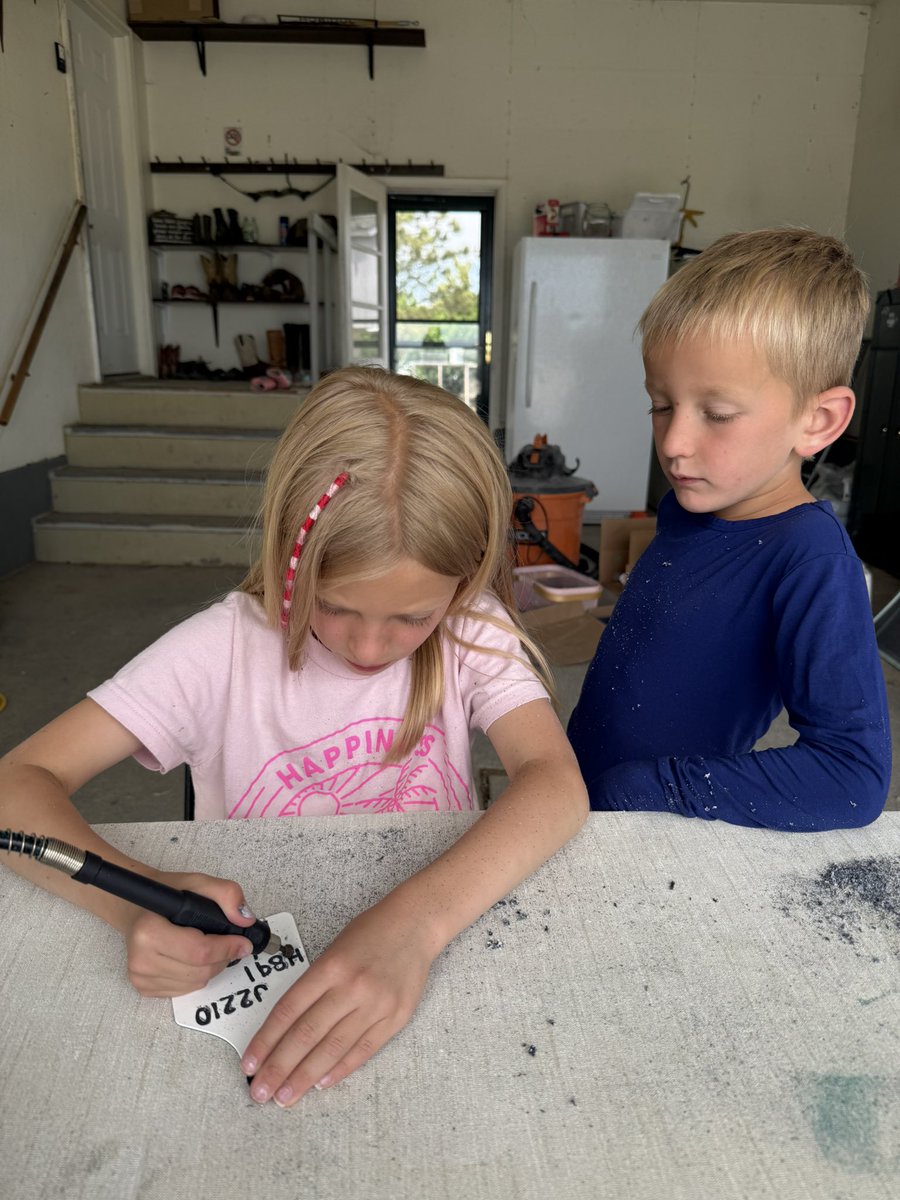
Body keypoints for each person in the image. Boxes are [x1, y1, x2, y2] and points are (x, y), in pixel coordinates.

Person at [0, 367, 588, 1107]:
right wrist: (135, 902)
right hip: (250, 990)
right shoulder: (219, 651)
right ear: (290, 553)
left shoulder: (472, 627)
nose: (371, 646)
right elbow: (16, 783)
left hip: (432, 956)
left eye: (412, 618)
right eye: (336, 605)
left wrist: (413, 926)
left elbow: (554, 782)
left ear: (466, 581)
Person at [568, 227, 891, 830]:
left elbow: (853, 775)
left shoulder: (811, 561)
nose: (673, 443)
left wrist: (651, 787)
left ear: (818, 421)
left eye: (716, 415)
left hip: (651, 832)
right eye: (661, 405)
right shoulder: (692, 511)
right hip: (582, 804)